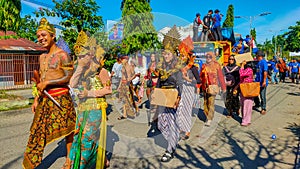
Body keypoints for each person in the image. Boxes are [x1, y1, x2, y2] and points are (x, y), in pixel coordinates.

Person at [23, 18, 76, 169]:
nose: (41, 38)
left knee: (68, 130)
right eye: (38, 36)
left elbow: (68, 76)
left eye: (44, 35)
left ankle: (69, 160)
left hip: (61, 98)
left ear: (53, 36)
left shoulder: (63, 55)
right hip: (45, 99)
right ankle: (31, 164)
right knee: (36, 131)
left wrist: (48, 83)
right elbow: (40, 79)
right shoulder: (41, 57)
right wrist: (35, 99)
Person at [68, 32, 112, 168]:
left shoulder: (101, 71)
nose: (80, 58)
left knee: (87, 140)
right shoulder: (80, 69)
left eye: (83, 56)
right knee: (78, 137)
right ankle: (98, 160)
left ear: (91, 54)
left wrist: (89, 93)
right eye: (78, 56)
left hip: (96, 109)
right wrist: (80, 66)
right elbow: (72, 85)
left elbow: (109, 90)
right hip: (81, 109)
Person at [176, 36, 201, 140]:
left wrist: (188, 79)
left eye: (183, 55)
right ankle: (181, 128)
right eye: (180, 55)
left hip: (189, 89)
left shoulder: (193, 67)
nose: (181, 57)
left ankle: (187, 131)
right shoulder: (180, 67)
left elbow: (199, 81)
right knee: (179, 110)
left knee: (186, 111)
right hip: (180, 89)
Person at [200, 51, 226, 126]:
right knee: (205, 103)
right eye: (207, 57)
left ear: (213, 57)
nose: (208, 58)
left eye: (210, 57)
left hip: (213, 86)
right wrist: (198, 87)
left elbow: (221, 76)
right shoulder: (204, 66)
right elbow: (201, 76)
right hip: (205, 87)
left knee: (211, 103)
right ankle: (207, 115)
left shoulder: (217, 65)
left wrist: (223, 87)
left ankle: (209, 118)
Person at [117, 54, 138, 120]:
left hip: (127, 85)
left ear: (126, 60)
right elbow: (122, 77)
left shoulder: (128, 67)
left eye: (123, 59)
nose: (121, 60)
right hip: (123, 84)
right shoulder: (123, 66)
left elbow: (129, 79)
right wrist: (119, 86)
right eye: (121, 59)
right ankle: (124, 114)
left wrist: (133, 77)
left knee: (129, 100)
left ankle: (134, 112)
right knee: (124, 100)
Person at [239, 60, 254, 126]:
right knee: (243, 104)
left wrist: (242, 66)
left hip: (248, 89)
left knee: (247, 105)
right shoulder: (246, 69)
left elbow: (241, 74)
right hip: (243, 89)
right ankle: (245, 119)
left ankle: (246, 121)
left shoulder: (249, 70)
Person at [253, 50, 268, 115]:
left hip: (262, 82)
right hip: (257, 82)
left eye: (256, 55)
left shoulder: (263, 62)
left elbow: (265, 72)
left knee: (262, 96)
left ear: (259, 56)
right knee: (254, 94)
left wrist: (264, 81)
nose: (255, 56)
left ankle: (263, 108)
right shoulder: (258, 62)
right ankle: (257, 104)